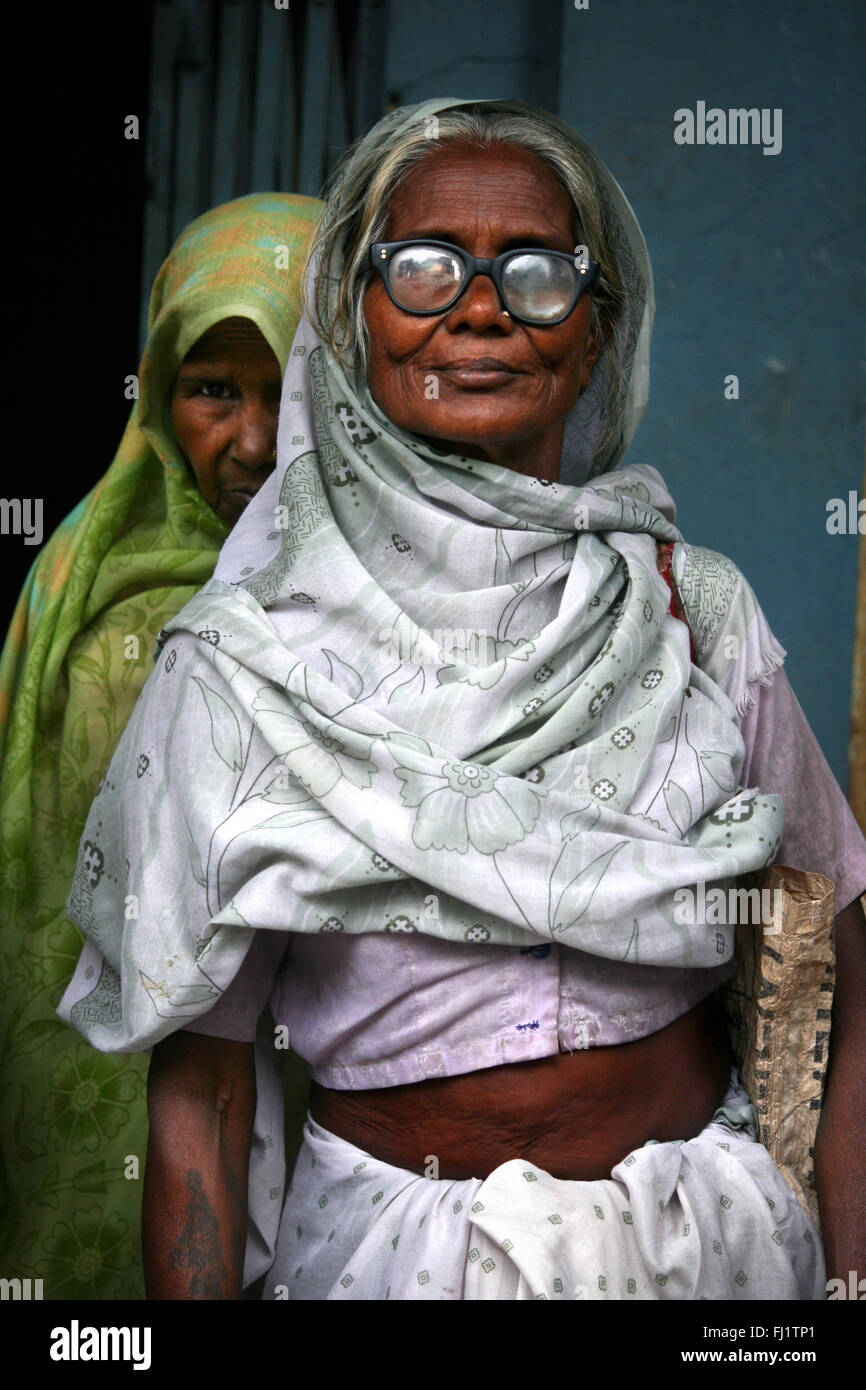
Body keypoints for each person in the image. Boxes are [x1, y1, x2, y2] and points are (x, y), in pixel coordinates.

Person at [57, 99, 866, 1301]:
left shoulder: (690, 612)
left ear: (593, 334)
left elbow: (843, 973)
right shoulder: (244, 660)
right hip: (395, 1260)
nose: (480, 309)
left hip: (710, 1256)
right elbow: (206, 1091)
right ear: (354, 318)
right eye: (424, 267)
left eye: (536, 274)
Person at [0, 191, 322, 1298]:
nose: (251, 441)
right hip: (101, 1102)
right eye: (211, 390)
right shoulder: (92, 598)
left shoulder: (387, 599)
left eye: (287, 393)